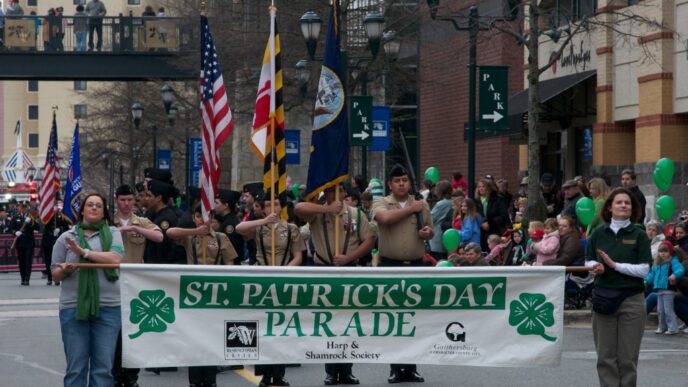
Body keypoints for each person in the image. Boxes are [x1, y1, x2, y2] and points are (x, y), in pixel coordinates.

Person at [295, 184, 375, 386]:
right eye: (330, 191)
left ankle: (346, 370)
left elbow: (368, 240)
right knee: (329, 323)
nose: (335, 194)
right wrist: (326, 209)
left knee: (349, 323)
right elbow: (298, 209)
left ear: (345, 193)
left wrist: (349, 257)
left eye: (339, 191)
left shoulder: (356, 214)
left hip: (349, 271)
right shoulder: (317, 214)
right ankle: (331, 370)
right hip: (324, 271)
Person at [51, 192, 124, 387]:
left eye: (98, 205)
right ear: (82, 210)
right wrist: (64, 271)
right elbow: (54, 273)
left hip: (109, 308)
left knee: (103, 368)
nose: (93, 208)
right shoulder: (67, 237)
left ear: (104, 212)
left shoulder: (114, 233)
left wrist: (83, 252)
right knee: (76, 368)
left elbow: (115, 259)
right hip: (73, 308)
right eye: (89, 204)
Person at [370, 164, 431, 384]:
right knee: (394, 319)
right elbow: (384, 219)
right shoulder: (382, 203)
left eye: (405, 180)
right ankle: (396, 367)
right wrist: (411, 209)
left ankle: (411, 367)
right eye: (397, 181)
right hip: (391, 265)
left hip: (416, 264)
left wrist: (427, 232)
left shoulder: (421, 205)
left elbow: (429, 230)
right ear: (390, 184)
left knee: (414, 318)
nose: (402, 184)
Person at [163, 205, 237, 387]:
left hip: (215, 292)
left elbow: (230, 263)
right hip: (193, 293)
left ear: (212, 219)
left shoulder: (221, 238)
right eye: (198, 216)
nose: (202, 220)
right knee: (194, 338)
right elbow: (170, 232)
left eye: (206, 217)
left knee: (212, 337)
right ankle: (195, 381)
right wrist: (196, 230)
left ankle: (210, 380)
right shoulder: (190, 237)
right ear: (194, 218)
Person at [586, 187, 651, 387]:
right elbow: (588, 260)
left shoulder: (639, 234)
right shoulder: (598, 233)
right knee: (605, 357)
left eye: (628, 203)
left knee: (627, 358)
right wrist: (594, 267)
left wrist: (614, 266)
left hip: (632, 299)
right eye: (619, 202)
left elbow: (644, 269)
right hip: (604, 298)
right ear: (609, 207)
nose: (623, 205)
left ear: (633, 209)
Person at [237, 192, 303, 387]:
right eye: (267, 204)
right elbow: (240, 228)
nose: (272, 207)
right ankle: (264, 374)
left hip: (283, 279)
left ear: (281, 207)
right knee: (264, 328)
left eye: (275, 204)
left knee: (281, 328)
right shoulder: (258, 228)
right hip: (261, 281)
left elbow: (298, 255)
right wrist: (263, 221)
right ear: (263, 208)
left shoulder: (291, 229)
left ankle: (279, 374)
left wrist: (283, 271)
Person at [112, 184, 163, 387]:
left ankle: (131, 376)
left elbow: (159, 236)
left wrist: (134, 228)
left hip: (134, 283)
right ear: (116, 200)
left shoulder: (141, 221)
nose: (126, 203)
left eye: (130, 200)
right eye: (122, 200)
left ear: (134, 201)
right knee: (114, 332)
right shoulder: (108, 221)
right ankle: (115, 374)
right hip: (112, 280)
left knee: (133, 332)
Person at [645, 241, 685, 335]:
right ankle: (662, 327)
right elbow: (651, 274)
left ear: (670, 251)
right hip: (659, 290)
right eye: (661, 251)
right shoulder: (657, 263)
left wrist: (675, 275)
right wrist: (646, 280)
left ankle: (673, 328)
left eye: (665, 251)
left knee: (668, 310)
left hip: (668, 289)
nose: (662, 253)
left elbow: (680, 269)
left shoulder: (673, 261)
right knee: (660, 310)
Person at [41, 200, 72, 285]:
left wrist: (60, 229)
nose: (54, 207)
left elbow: (66, 226)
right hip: (47, 240)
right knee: (48, 260)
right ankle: (50, 278)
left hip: (57, 241)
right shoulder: (46, 215)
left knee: (57, 260)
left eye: (55, 205)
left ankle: (56, 278)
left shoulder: (61, 216)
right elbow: (41, 226)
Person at [11, 202, 39, 285]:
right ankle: (22, 278)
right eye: (22, 207)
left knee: (28, 261)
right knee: (21, 261)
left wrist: (30, 222)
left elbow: (37, 227)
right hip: (20, 242)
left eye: (25, 207)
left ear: (27, 208)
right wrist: (15, 232)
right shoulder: (16, 217)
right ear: (19, 208)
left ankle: (27, 279)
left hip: (29, 242)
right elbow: (11, 228)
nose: (23, 209)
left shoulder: (31, 217)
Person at [215, 189, 244, 265]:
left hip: (230, 266)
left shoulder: (230, 224)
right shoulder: (225, 220)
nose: (215, 206)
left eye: (217, 203)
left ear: (225, 205)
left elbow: (229, 249)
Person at [428, 180, 453, 260]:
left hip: (437, 238)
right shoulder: (452, 202)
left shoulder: (441, 204)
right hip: (446, 236)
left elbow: (430, 218)